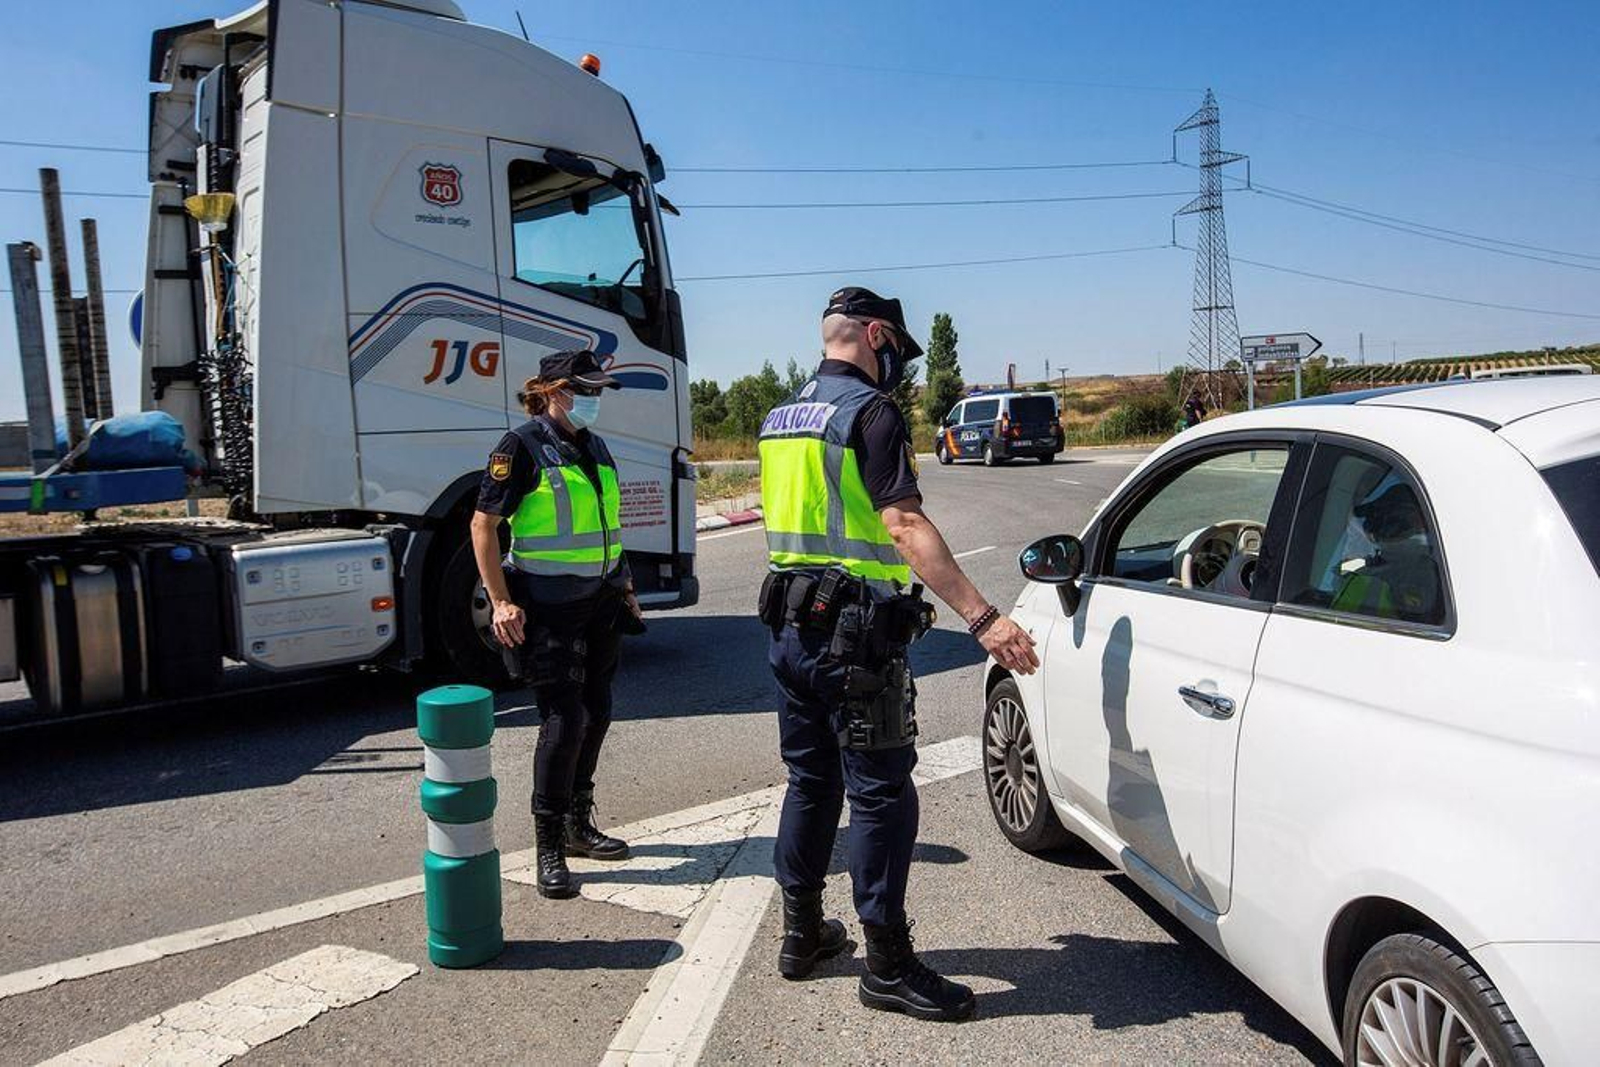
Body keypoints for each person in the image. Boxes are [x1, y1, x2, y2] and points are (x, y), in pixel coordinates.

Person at [756, 287, 1040, 1022]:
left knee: (811, 781)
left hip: (789, 629)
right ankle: (887, 963)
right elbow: (904, 524)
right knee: (882, 791)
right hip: (853, 636)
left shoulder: (781, 416)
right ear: (874, 334)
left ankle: (801, 935)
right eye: (896, 352)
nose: (897, 370)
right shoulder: (869, 413)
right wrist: (982, 617)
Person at [470, 349, 643, 899]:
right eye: (583, 390)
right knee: (564, 719)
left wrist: (628, 585)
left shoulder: (594, 445)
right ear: (550, 391)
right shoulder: (519, 446)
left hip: (603, 598)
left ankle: (577, 825)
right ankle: (548, 844)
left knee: (599, 710)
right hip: (547, 605)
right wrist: (500, 601)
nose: (593, 400)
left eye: (597, 391)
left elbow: (606, 524)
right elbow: (483, 525)